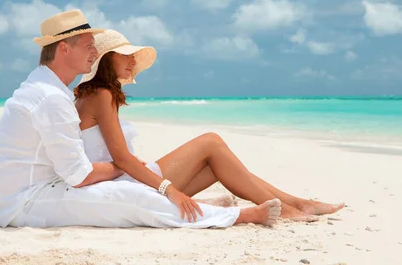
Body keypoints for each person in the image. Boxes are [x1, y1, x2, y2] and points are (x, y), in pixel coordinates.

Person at [0, 10, 281, 229]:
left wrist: (124, 167)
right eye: (89, 45)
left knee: (132, 191)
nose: (94, 51)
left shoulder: (48, 89)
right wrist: (121, 166)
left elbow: (75, 169)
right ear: (64, 48)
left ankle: (222, 208)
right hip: (26, 202)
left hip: (32, 193)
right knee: (131, 196)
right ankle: (239, 216)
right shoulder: (50, 96)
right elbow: (80, 176)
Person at [73, 28, 345, 222]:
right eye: (126, 55)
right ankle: (289, 207)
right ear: (108, 59)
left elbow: (112, 154)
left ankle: (297, 203)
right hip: (124, 185)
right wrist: (172, 190)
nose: (133, 61)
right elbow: (121, 158)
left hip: (122, 180)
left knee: (220, 165)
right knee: (211, 141)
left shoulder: (93, 94)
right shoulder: (102, 95)